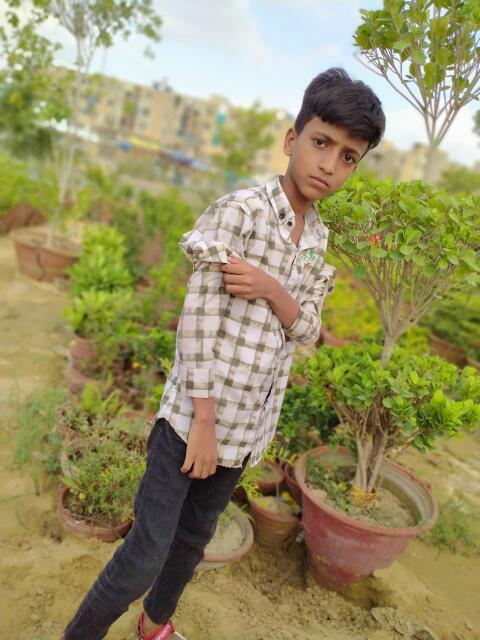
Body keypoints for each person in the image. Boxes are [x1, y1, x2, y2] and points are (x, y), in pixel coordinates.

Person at [60, 67, 385, 640]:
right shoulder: (241, 213)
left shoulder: (317, 240)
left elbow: (308, 330)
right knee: (146, 552)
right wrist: (203, 424)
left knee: (193, 540)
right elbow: (196, 324)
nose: (329, 165)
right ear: (292, 139)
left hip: (246, 431)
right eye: (320, 142)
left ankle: (154, 625)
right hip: (193, 422)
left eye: (348, 157)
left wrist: (272, 289)